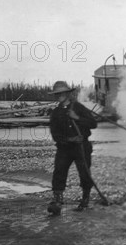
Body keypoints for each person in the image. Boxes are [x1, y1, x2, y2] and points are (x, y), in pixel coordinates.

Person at [47, 81, 97, 215]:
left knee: (85, 173)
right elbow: (55, 134)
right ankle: (57, 201)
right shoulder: (56, 113)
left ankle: (85, 200)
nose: (59, 96)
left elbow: (93, 124)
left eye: (61, 93)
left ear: (68, 94)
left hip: (82, 147)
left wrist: (77, 118)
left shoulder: (79, 108)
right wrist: (69, 139)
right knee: (59, 172)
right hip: (64, 149)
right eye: (56, 94)